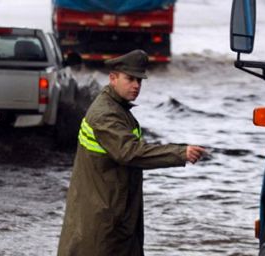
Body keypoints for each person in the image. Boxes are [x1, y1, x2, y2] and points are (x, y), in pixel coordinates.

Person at [57, 49, 206, 256]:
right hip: (103, 218)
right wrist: (180, 153)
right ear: (113, 78)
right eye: (130, 79)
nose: (136, 85)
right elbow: (129, 152)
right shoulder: (106, 114)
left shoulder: (117, 108)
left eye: (139, 80)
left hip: (116, 212)